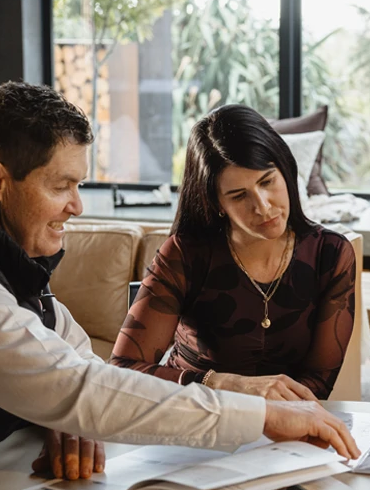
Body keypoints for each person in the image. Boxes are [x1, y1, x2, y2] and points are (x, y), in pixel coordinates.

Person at [0, 82, 359, 490]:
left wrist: (67, 415)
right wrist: (264, 415)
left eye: (78, 184)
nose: (77, 206)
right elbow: (79, 386)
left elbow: (73, 353)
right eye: (61, 185)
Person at [110, 104, 356, 401]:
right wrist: (221, 384)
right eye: (239, 195)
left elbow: (318, 380)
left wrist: (268, 419)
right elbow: (123, 370)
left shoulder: (330, 254)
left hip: (285, 427)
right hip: (194, 418)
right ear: (216, 203)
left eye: (267, 181)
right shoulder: (184, 254)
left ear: (286, 170)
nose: (263, 206)